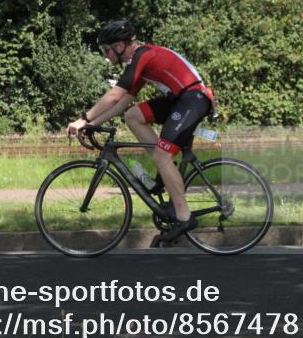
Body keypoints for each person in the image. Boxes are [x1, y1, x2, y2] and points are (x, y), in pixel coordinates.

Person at [66, 19, 214, 243]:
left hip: (193, 99)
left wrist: (82, 119)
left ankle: (184, 217)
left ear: (119, 46)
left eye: (107, 50)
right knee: (133, 116)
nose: (105, 56)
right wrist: (91, 124)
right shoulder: (140, 62)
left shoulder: (141, 56)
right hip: (180, 99)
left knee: (162, 155)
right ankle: (166, 169)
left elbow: (114, 95)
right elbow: (122, 104)